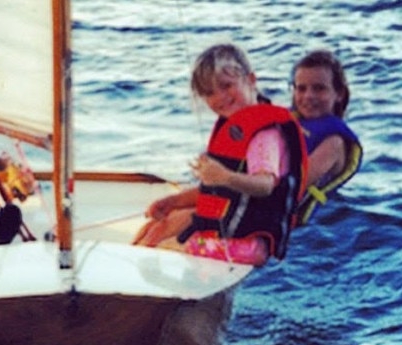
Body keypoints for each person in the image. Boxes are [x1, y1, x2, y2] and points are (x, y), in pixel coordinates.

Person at [133, 43, 307, 266]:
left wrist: (225, 176)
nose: (219, 97)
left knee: (166, 243)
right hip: (229, 236)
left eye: (226, 86)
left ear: (251, 80)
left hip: (248, 244)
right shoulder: (233, 129)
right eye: (209, 93)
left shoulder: (264, 135)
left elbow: (265, 185)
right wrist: (175, 201)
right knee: (157, 228)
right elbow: (217, 192)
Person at [290, 49, 362, 225]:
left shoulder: (334, 143)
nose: (308, 96)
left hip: (304, 231)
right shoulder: (289, 122)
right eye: (301, 88)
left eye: (319, 88)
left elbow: (297, 183)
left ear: (339, 94)